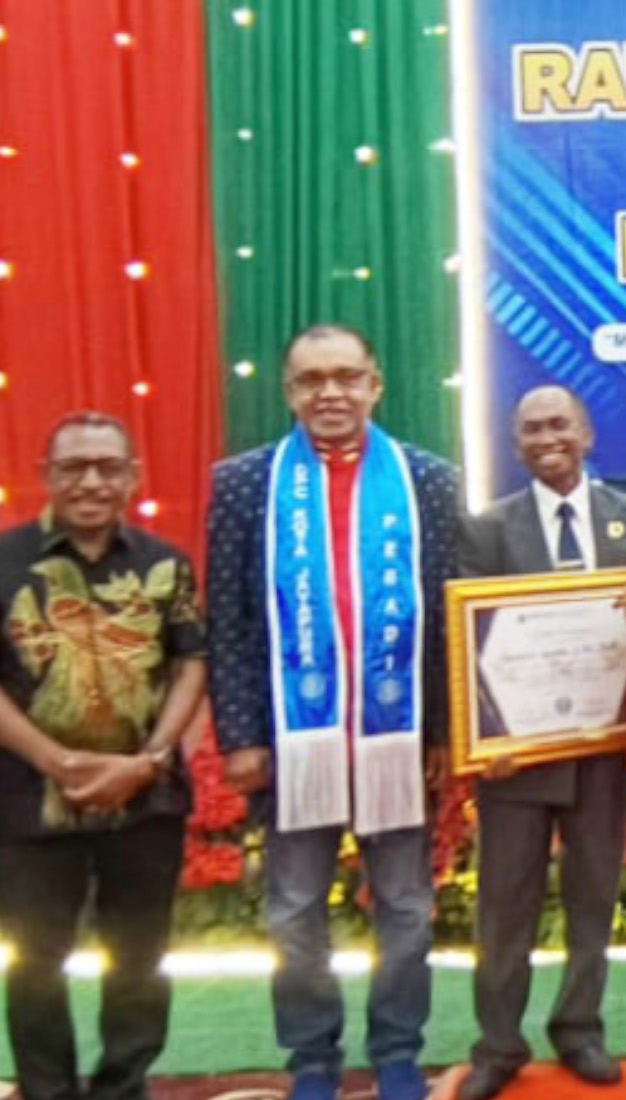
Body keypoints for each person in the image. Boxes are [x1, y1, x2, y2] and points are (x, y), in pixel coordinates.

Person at [206, 323, 467, 1100]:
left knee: (407, 910)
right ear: (289, 392)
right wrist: (241, 734)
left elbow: (447, 613)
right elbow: (229, 617)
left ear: (374, 386)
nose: (330, 392)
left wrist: (443, 731)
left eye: (346, 376)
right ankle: (312, 1058)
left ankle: (397, 1051)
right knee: (292, 912)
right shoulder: (245, 484)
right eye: (312, 380)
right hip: (295, 739)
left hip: (397, 736)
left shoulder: (429, 481)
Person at [0, 412, 209, 1100]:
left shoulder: (166, 564)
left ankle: (124, 1084)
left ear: (133, 477)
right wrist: (58, 762)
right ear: (46, 476)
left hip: (146, 798)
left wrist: (150, 760)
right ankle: (46, 1089)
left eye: (108, 468)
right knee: (35, 964)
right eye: (73, 467)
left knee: (140, 958)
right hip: (28, 801)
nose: (90, 482)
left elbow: (192, 665)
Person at [452, 386, 626, 1100]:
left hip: (603, 749)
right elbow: (469, 639)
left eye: (560, 425)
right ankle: (498, 1045)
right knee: (504, 908)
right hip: (517, 758)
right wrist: (484, 735)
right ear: (516, 443)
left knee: (592, 899)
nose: (548, 438)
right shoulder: (486, 528)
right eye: (533, 428)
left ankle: (580, 1031)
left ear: (587, 433)